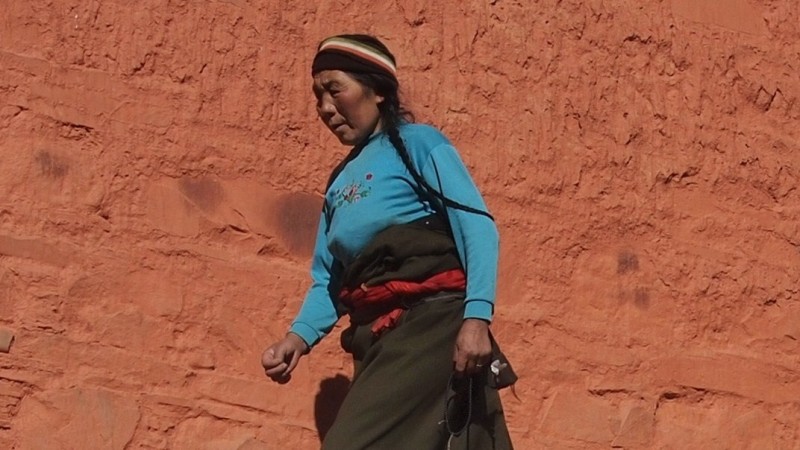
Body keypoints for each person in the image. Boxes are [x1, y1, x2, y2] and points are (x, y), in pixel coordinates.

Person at [261, 34, 514, 449]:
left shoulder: (419, 143)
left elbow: (477, 226)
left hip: (429, 330)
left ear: (377, 90)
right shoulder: (339, 182)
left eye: (335, 90)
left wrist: (477, 318)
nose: (325, 108)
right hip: (377, 343)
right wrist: (297, 339)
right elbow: (330, 278)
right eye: (317, 96)